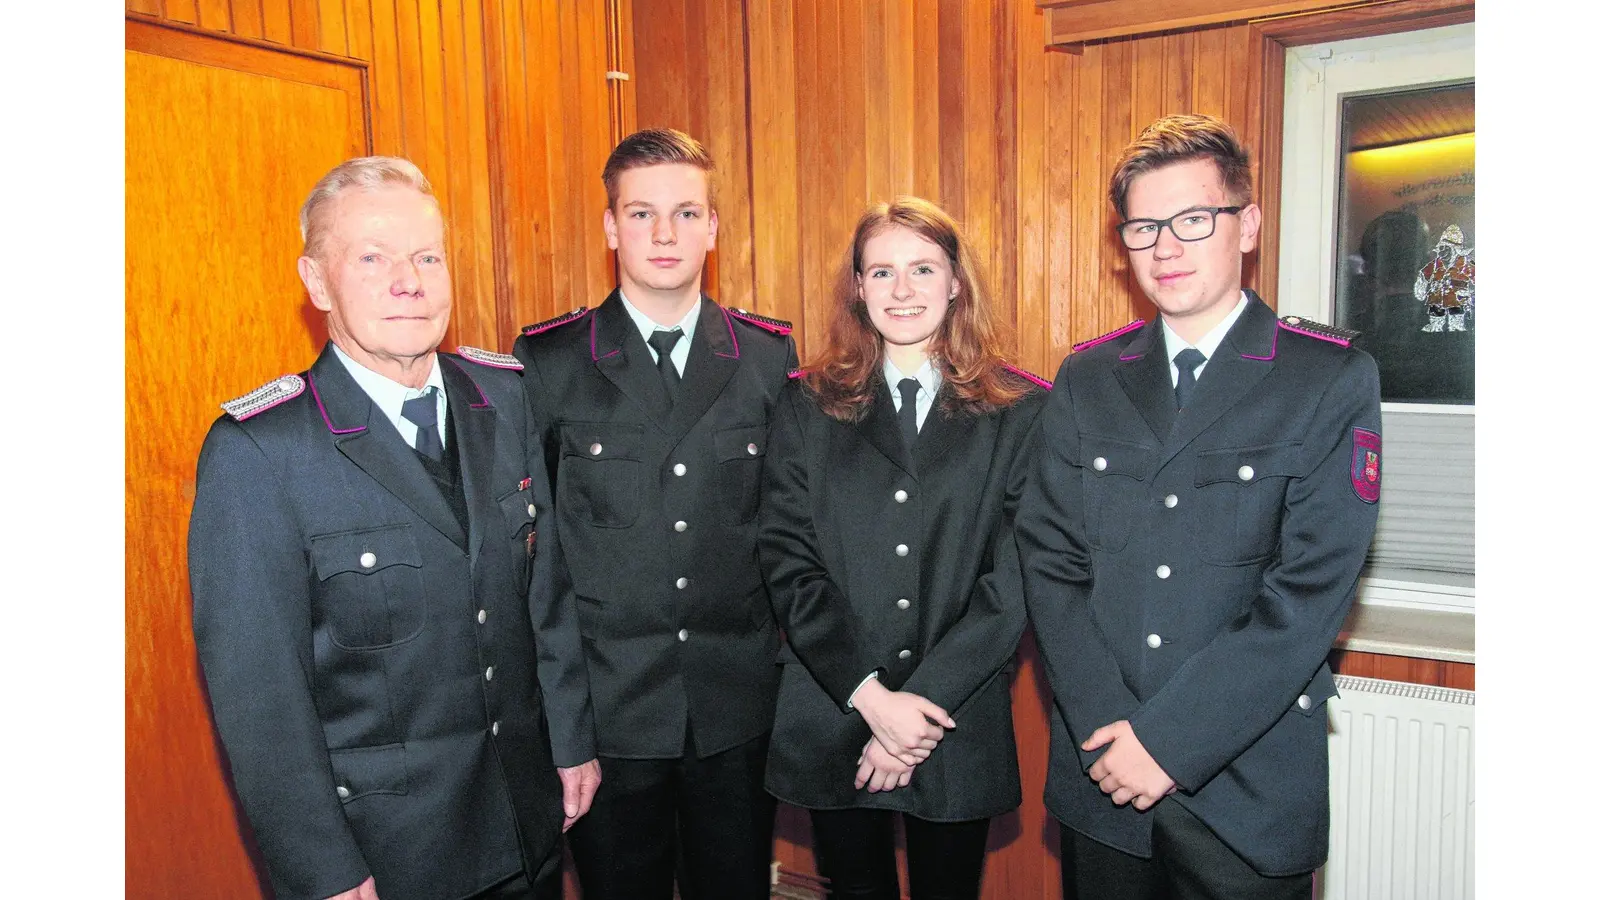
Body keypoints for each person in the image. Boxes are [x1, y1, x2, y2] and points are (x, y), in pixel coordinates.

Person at [188, 156, 599, 900]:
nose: (409, 281)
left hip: (524, 816)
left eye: (427, 257)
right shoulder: (261, 452)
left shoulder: (502, 397)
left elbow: (546, 593)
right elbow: (261, 703)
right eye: (373, 258)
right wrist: (324, 870)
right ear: (316, 282)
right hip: (389, 856)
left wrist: (571, 740)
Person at [1016, 114, 1383, 900]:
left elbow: (1310, 594)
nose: (1166, 247)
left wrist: (1168, 742)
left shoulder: (1324, 378)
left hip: (1245, 787)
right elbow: (1050, 561)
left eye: (1192, 219)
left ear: (1246, 225)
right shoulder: (1087, 377)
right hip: (1101, 770)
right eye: (1144, 227)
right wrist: (1112, 731)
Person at [511, 128, 797, 900]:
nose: (664, 234)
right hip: (609, 712)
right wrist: (560, 717)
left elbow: (791, 535)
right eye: (641, 214)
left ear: (713, 227)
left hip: (734, 708)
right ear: (610, 228)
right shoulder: (550, 360)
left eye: (684, 213)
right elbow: (533, 560)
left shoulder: (770, 356)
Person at [757, 197, 1047, 900]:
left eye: (923, 269)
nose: (904, 290)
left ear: (955, 283)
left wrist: (914, 712)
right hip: (836, 710)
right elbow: (789, 561)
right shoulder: (805, 405)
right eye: (881, 272)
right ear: (857, 288)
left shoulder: (1020, 411)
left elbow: (1014, 581)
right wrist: (872, 700)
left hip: (955, 715)